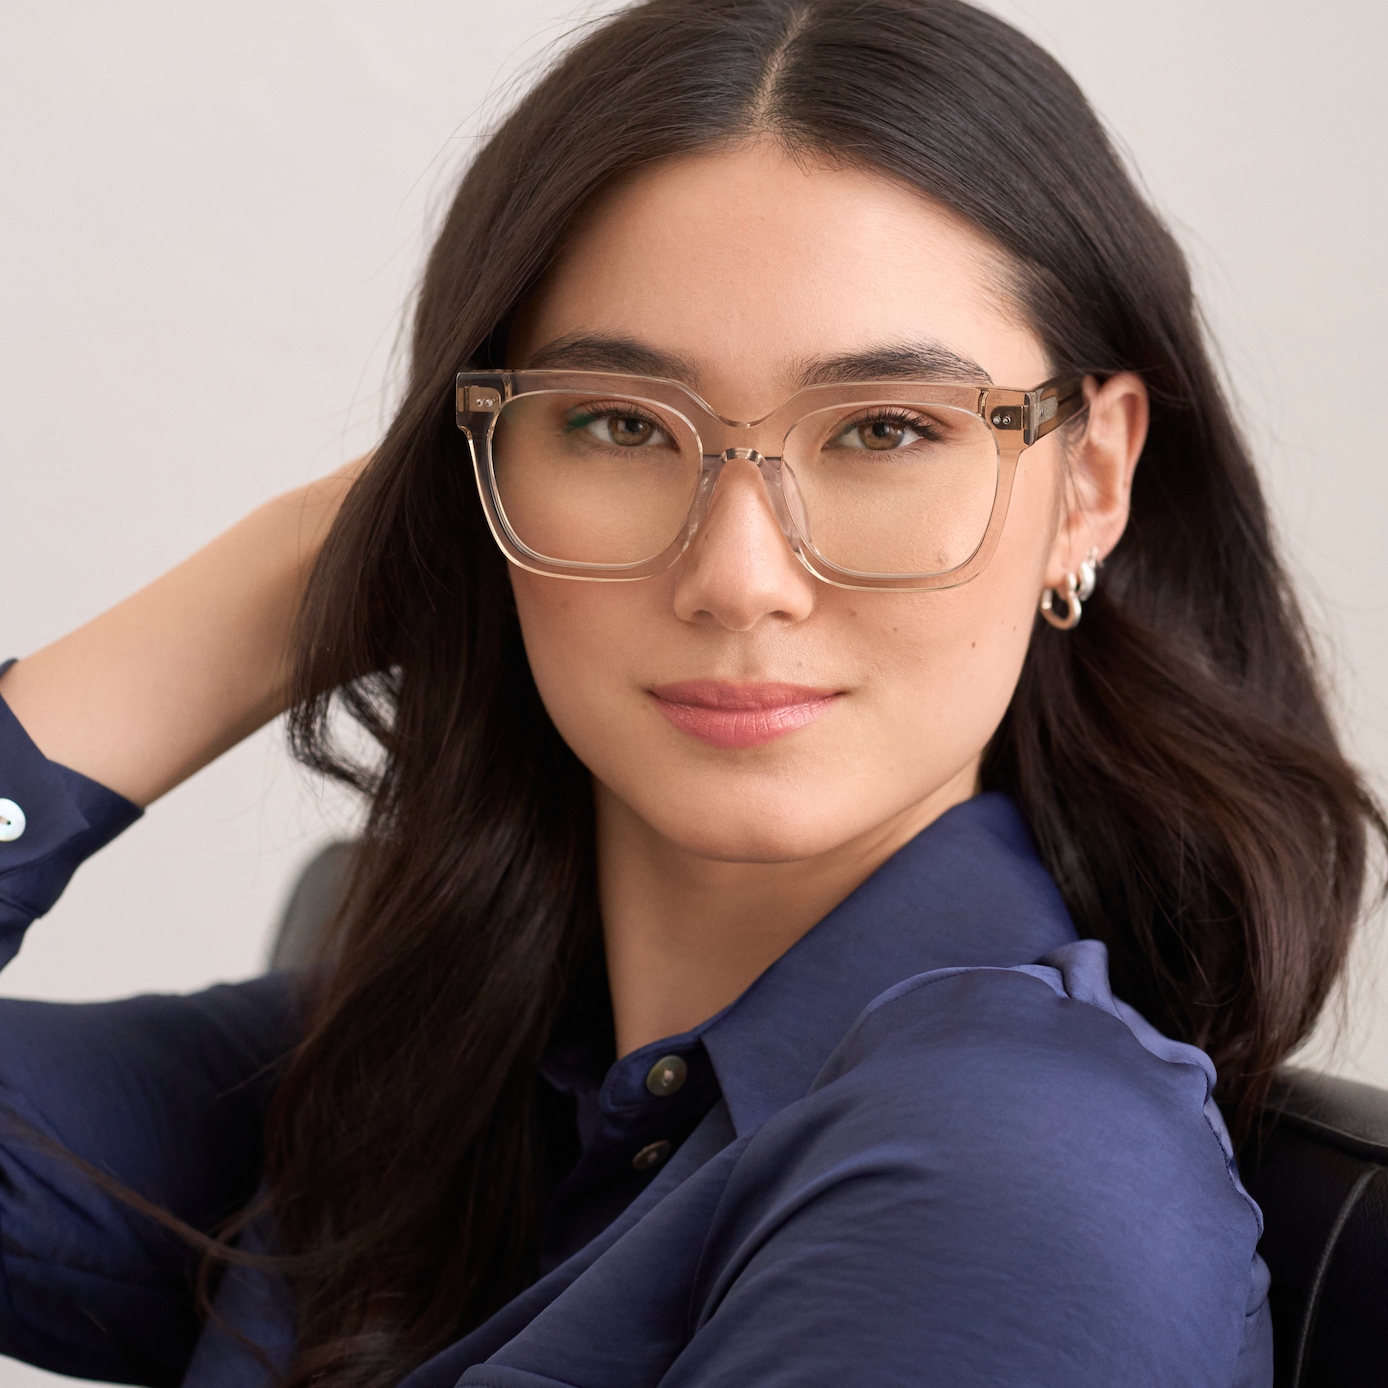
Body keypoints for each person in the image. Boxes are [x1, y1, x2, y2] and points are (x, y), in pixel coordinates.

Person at [0, 1, 1381, 1384]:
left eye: (887, 429)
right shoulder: (413, 1070)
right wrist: (301, 572)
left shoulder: (1012, 1173)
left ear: (1088, 487)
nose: (738, 577)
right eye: (615, 424)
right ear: (478, 477)